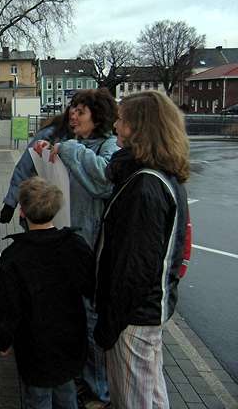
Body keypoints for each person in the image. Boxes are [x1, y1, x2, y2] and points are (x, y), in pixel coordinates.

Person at [94, 90, 189, 408]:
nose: (115, 126)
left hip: (132, 318)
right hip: (143, 313)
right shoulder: (159, 177)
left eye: (121, 120)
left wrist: (109, 325)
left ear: (139, 128)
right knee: (151, 393)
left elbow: (133, 267)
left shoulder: (144, 185)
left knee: (132, 399)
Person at [37, 88, 119, 405]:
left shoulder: (109, 146)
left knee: (90, 317)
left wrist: (68, 150)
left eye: (80, 111)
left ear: (97, 117)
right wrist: (46, 156)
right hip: (69, 243)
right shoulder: (76, 145)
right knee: (74, 315)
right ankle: (82, 375)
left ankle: (98, 387)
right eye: (72, 109)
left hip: (92, 249)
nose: (73, 115)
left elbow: (102, 182)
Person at [0, 177, 94, 409]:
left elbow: (7, 307)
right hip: (71, 340)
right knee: (66, 392)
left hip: (34, 346)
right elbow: (90, 287)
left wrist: (2, 339)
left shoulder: (14, 256)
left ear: (23, 212)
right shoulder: (75, 245)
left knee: (37, 398)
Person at [0, 108, 73, 226]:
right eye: (74, 111)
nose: (75, 116)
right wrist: (10, 202)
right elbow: (25, 167)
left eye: (81, 112)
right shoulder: (51, 135)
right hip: (44, 207)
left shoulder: (94, 142)